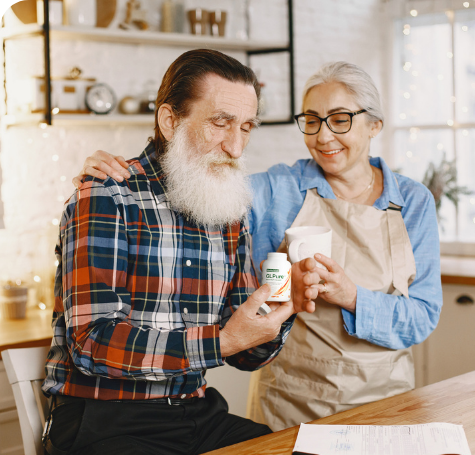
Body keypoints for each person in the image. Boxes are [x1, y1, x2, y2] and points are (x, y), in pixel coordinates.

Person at [74, 61, 443, 433]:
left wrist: (351, 296)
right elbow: (198, 180)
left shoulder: (412, 201)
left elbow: (423, 317)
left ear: (374, 125)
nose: (323, 135)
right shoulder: (278, 189)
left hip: (387, 397)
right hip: (294, 399)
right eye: (312, 121)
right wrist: (108, 171)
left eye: (340, 119)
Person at [41, 49, 321, 455]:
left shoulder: (228, 209)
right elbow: (91, 341)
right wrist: (222, 341)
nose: (235, 147)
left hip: (195, 414)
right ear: (170, 120)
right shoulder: (107, 196)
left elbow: (247, 353)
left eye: (246, 127)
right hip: (102, 426)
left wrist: (281, 308)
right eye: (220, 122)